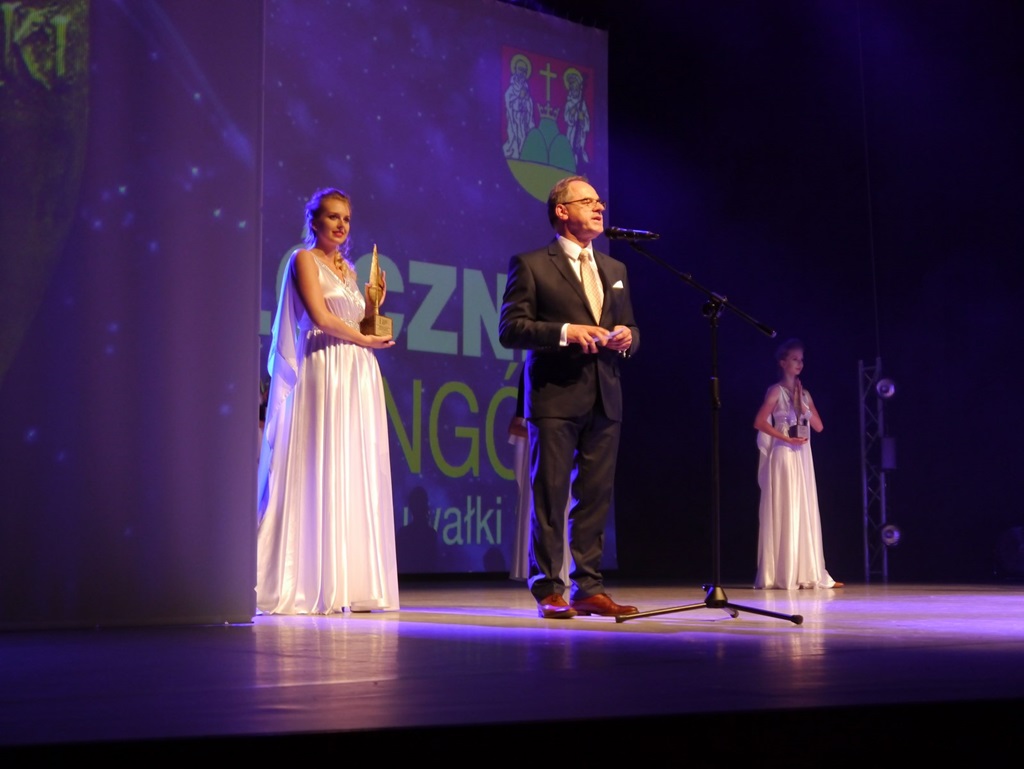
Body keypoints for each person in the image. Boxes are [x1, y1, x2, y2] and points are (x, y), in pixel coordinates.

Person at [498, 175, 640, 619]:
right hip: (555, 396)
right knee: (551, 496)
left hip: (605, 395)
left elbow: (633, 328)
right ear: (562, 211)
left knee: (595, 497)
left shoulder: (615, 269)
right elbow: (510, 329)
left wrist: (626, 337)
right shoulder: (531, 264)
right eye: (588, 201)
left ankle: (588, 587)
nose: (600, 208)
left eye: (600, 201)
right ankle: (548, 589)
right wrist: (565, 332)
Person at [256, 187, 400, 614]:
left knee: (350, 463)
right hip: (324, 365)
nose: (341, 225)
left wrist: (373, 306)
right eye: (333, 216)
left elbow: (356, 320)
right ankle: (306, 578)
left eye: (346, 219)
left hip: (355, 370)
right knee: (320, 460)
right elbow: (320, 318)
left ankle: (348, 580)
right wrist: (365, 340)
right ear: (314, 220)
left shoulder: (349, 270)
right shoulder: (304, 259)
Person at [753, 338, 842, 590]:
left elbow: (819, 426)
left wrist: (803, 405)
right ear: (783, 362)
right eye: (794, 359)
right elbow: (759, 422)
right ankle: (783, 572)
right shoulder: (775, 391)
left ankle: (807, 570)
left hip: (802, 454)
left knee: (803, 506)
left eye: (801, 359)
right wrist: (785, 438)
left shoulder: (805, 394)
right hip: (784, 453)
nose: (799, 363)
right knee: (787, 506)